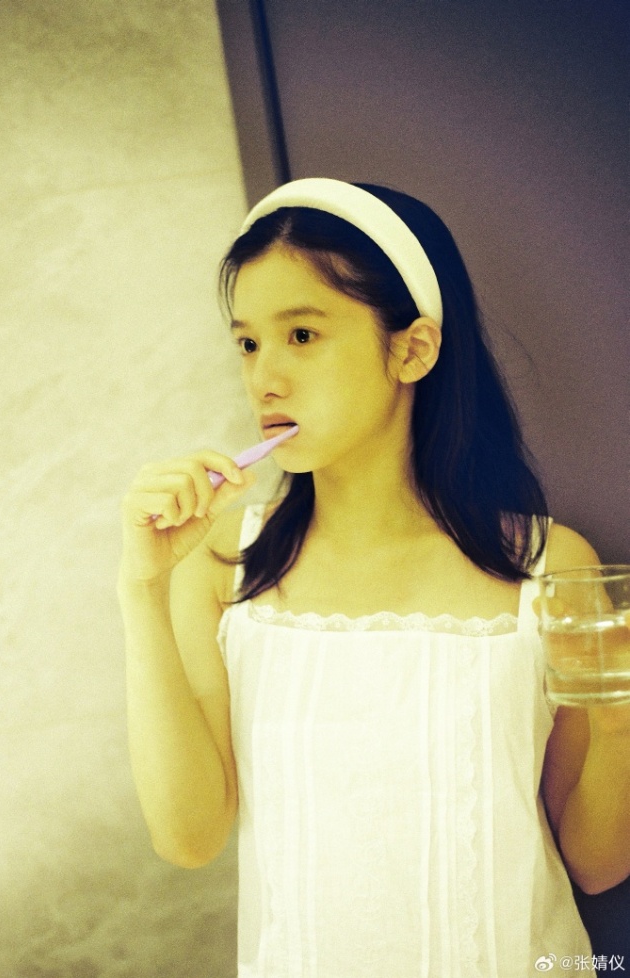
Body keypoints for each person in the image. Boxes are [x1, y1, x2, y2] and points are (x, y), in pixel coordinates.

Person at [118, 178, 630, 976]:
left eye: (302, 335)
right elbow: (188, 838)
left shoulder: (549, 567)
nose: (264, 378)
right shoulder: (222, 564)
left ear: (412, 349)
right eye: (248, 343)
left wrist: (621, 719)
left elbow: (597, 863)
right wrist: (141, 589)